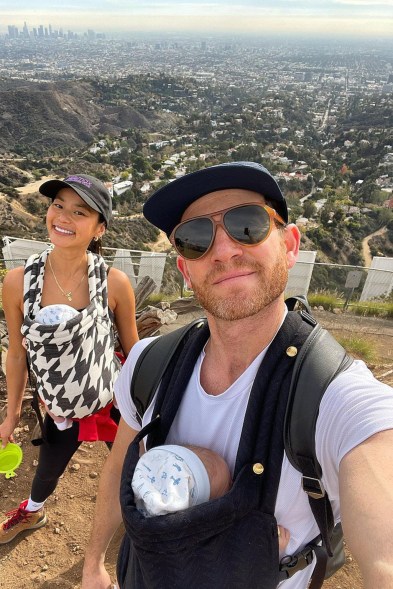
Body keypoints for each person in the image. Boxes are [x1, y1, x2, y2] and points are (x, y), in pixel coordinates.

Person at [82, 162, 393, 589]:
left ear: (290, 245)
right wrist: (93, 562)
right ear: (185, 270)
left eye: (247, 224)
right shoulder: (149, 363)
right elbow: (120, 463)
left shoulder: (335, 397)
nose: (224, 250)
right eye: (196, 239)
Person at [0, 173, 139, 544]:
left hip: (111, 400)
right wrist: (11, 413)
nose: (63, 217)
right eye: (58, 205)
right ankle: (32, 512)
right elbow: (17, 354)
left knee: (131, 466)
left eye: (80, 212)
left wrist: (143, 410)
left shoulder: (114, 283)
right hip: (59, 407)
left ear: (99, 229)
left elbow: (134, 351)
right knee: (47, 469)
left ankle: (142, 519)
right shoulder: (17, 282)